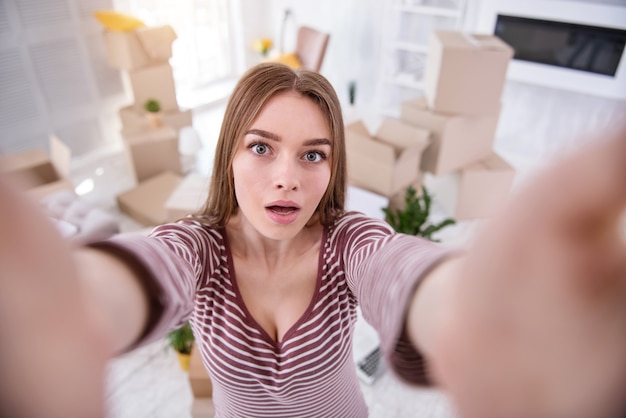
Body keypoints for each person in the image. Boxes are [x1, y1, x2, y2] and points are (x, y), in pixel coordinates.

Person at [0, 62, 625, 418]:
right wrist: (70, 306)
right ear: (230, 156)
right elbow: (145, 269)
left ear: (332, 168)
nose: (286, 179)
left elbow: (400, 269)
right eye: (262, 147)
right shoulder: (198, 247)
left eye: (313, 155)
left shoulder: (349, 241)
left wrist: (476, 306)